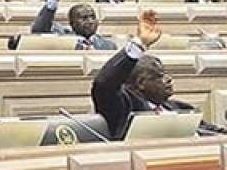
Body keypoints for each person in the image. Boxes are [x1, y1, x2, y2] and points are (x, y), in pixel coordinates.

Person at [92, 10, 226, 139]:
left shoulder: (181, 108)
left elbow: (214, 132)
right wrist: (139, 44)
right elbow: (103, 84)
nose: (168, 79)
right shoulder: (123, 107)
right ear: (141, 83)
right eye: (160, 76)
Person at [30, 0, 117, 50]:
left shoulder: (108, 46)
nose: (90, 21)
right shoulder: (62, 39)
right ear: (72, 23)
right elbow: (38, 29)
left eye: (93, 17)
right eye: (84, 18)